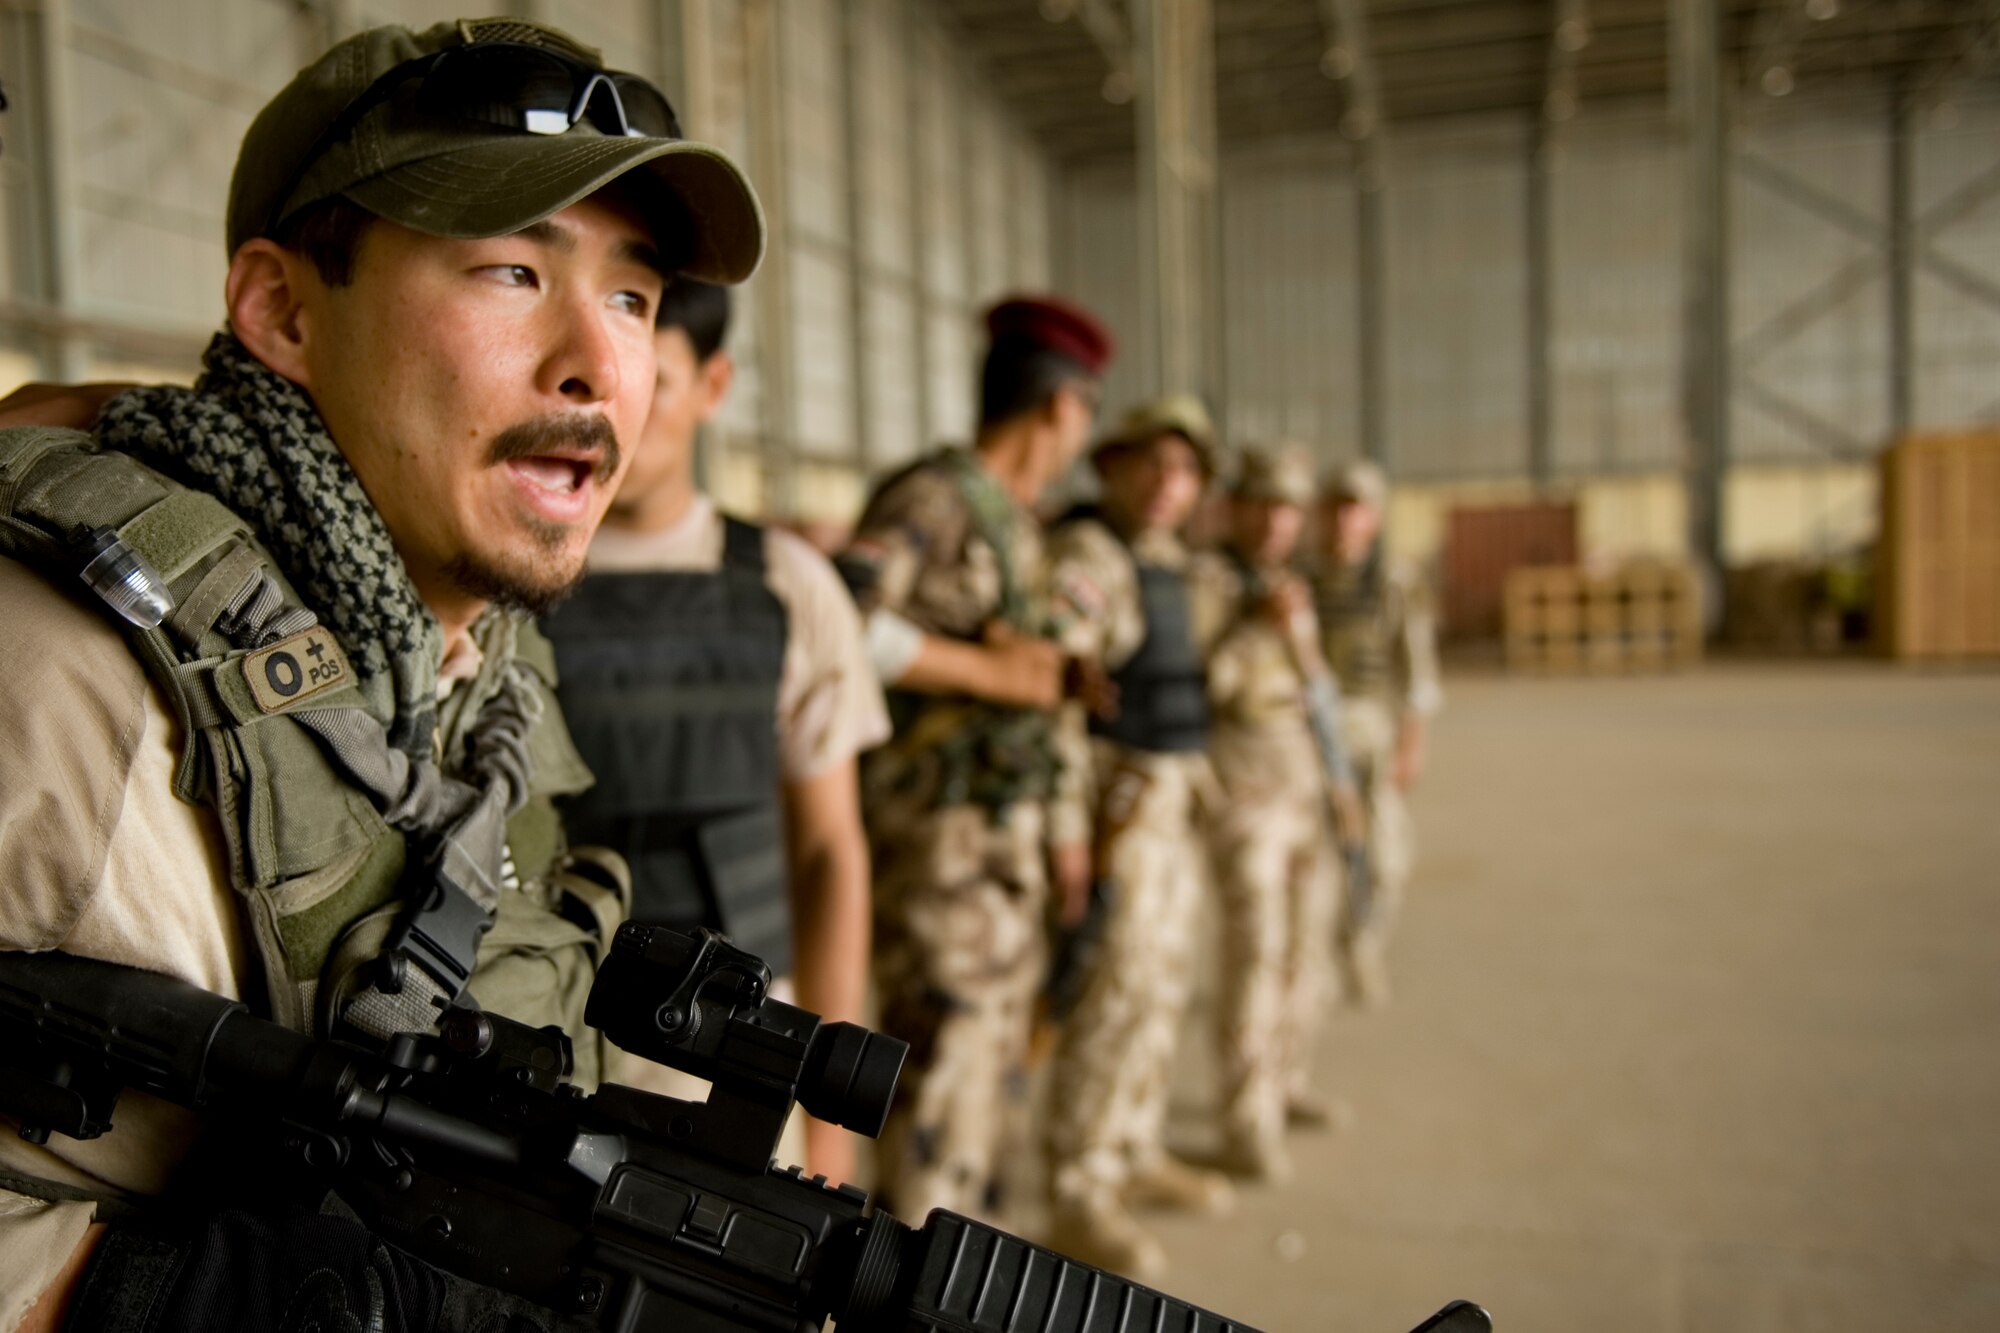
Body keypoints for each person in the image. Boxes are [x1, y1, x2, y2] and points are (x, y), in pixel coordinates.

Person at [0, 18, 762, 1330]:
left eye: (635, 297)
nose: (597, 362)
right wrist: (184, 1301)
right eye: (511, 271)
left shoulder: (488, 681)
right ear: (284, 310)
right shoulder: (66, 680)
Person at [540, 277, 887, 1183]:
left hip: (738, 1051)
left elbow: (829, 855)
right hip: (544, 1029)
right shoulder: (505, 580)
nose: (620, 402)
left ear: (713, 386)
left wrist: (828, 1120)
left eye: (654, 373)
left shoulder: (785, 585)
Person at [835, 295, 1111, 1225]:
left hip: (1007, 853)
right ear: (1062, 408)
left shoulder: (1019, 526)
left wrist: (1065, 832)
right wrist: (988, 671)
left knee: (991, 1092)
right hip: (937, 853)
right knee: (941, 1087)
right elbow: (842, 623)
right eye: (1087, 414)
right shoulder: (932, 500)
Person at [1041, 393, 1233, 1279]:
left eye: (1186, 468)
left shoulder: (1172, 565)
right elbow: (1057, 676)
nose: (1168, 483)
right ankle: (1079, 1187)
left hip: (1171, 804)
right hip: (1118, 809)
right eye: (1151, 462)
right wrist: (1069, 830)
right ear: (1111, 466)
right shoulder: (1094, 557)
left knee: (1160, 988)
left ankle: (1132, 1145)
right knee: (1111, 993)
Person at [1190, 446, 1347, 1183]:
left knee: (1304, 950)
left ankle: (1285, 1081)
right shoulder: (1210, 583)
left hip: (1301, 784)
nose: (1278, 521)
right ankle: (1244, 1118)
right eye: (1264, 504)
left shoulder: (1293, 584)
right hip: (1245, 790)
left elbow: (1316, 687)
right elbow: (1199, 684)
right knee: (1256, 949)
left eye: (1290, 508)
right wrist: (1253, 624)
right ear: (1237, 507)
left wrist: (1343, 786)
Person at [1315, 460, 1445, 1007]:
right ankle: (1315, 960)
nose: (1346, 520)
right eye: (1337, 507)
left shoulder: (1394, 581)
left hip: (1370, 731)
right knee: (1320, 860)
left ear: (1375, 517)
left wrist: (1413, 743)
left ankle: (1361, 943)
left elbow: (1417, 672)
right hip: (1311, 737)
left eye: (1358, 509)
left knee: (1386, 856)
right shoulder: (1302, 579)